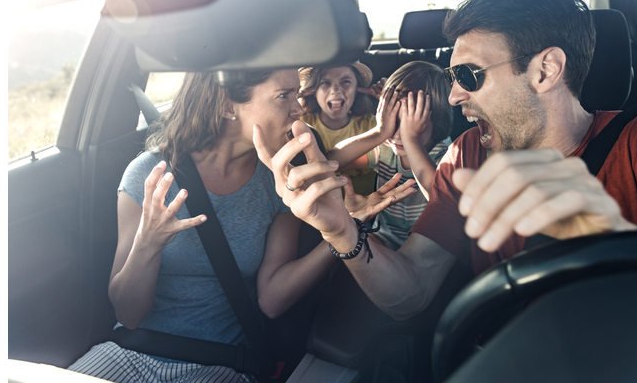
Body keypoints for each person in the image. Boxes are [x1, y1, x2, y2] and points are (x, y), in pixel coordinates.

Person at [253, 0, 637, 321]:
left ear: (545, 70)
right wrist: (341, 230)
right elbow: (412, 289)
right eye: (451, 76)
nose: (454, 95)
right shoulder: (468, 155)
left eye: (468, 75)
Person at [66, 69, 396, 382]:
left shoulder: (277, 184)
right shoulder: (148, 175)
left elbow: (271, 299)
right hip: (129, 352)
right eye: (283, 95)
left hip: (220, 362)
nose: (298, 109)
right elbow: (129, 315)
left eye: (297, 94)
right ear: (227, 105)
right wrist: (147, 244)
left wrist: (340, 232)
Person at [327, 61, 454, 250]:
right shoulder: (385, 148)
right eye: (391, 121)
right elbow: (331, 161)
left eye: (408, 124)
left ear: (437, 119)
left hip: (428, 242)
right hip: (384, 237)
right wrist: (379, 132)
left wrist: (411, 140)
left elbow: (440, 199)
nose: (396, 134)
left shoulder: (443, 154)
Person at [298, 62, 385, 196]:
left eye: (345, 81)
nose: (336, 90)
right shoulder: (301, 125)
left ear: (357, 88)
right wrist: (293, 96)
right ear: (313, 91)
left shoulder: (375, 125)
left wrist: (388, 99)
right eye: (325, 83)